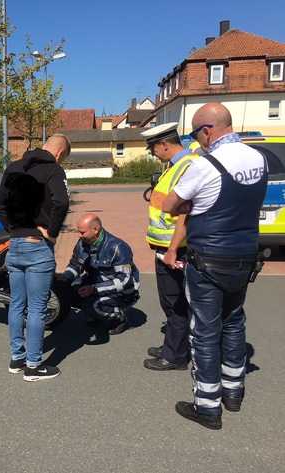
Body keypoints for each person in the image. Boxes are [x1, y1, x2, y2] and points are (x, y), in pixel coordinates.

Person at [162, 103, 267, 430]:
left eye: (195, 133)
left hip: (208, 257)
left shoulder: (205, 165)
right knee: (234, 320)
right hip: (245, 255)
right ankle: (234, 392)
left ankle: (207, 405)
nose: (196, 140)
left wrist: (189, 203)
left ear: (207, 129)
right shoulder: (258, 158)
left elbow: (169, 204)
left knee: (205, 330)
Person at [0, 134, 71, 382]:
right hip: (38, 246)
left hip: (15, 244)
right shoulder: (54, 170)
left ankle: (16, 359)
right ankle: (34, 366)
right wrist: (52, 232)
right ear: (59, 153)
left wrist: (13, 228)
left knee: (17, 303)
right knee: (37, 308)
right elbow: (61, 201)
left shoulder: (14, 167)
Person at [141, 123, 198, 371]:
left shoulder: (186, 167)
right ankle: (172, 346)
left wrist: (173, 249)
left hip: (175, 248)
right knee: (170, 300)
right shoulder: (174, 166)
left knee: (175, 302)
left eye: (154, 148)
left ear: (165, 144)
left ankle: (174, 356)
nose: (153, 153)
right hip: (165, 246)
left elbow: (185, 213)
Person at [61, 213, 140, 336]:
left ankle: (120, 318)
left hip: (122, 291)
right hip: (95, 282)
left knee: (97, 305)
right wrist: (64, 279)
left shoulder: (118, 248)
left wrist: (94, 289)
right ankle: (93, 313)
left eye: (82, 232)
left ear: (96, 230)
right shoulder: (82, 243)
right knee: (68, 291)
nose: (79, 235)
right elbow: (75, 264)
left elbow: (125, 281)